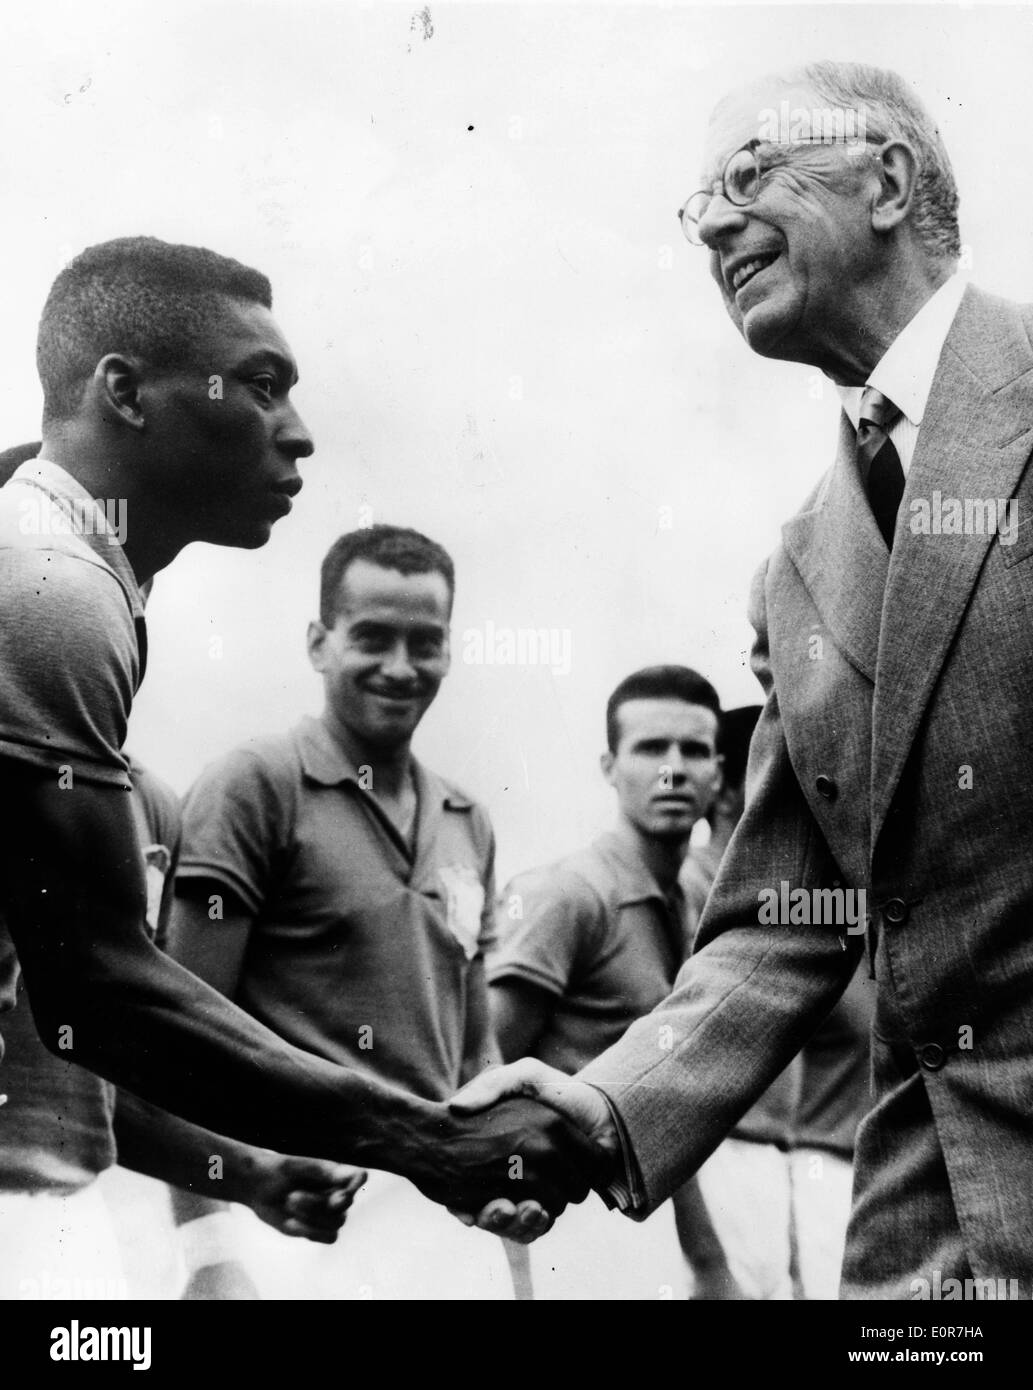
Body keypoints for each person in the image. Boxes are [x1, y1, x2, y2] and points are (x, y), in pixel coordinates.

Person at [454, 61, 1033, 1298]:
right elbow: (780, 916)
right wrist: (603, 1107)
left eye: (747, 175)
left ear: (885, 182)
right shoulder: (799, 564)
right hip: (927, 1234)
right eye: (698, 204)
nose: (713, 222)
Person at [0, 240, 600, 1222]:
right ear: (124, 390)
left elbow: (62, 1038)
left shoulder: (63, 570)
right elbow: (102, 996)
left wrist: (258, 1175)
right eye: (262, 386)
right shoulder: (51, 584)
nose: (301, 434)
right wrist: (421, 1137)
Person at [166, 525, 518, 1298]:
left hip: (436, 1220)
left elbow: (471, 1048)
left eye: (424, 641)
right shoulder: (255, 785)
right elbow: (179, 1036)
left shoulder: (467, 818)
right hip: (293, 1213)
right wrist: (208, 1245)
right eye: (372, 638)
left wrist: (499, 1191)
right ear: (319, 642)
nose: (400, 667)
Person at [488, 666, 741, 1299]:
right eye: (651, 748)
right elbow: (480, 1071)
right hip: (548, 1232)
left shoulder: (689, 905)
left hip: (631, 1230)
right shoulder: (569, 894)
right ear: (609, 766)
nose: (674, 769)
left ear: (718, 772)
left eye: (694, 750)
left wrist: (708, 1262)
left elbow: (662, 1106)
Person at [683, 706, 873, 1300]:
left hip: (796, 1161)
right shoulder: (695, 890)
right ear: (730, 789)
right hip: (729, 1151)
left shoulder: (807, 906)